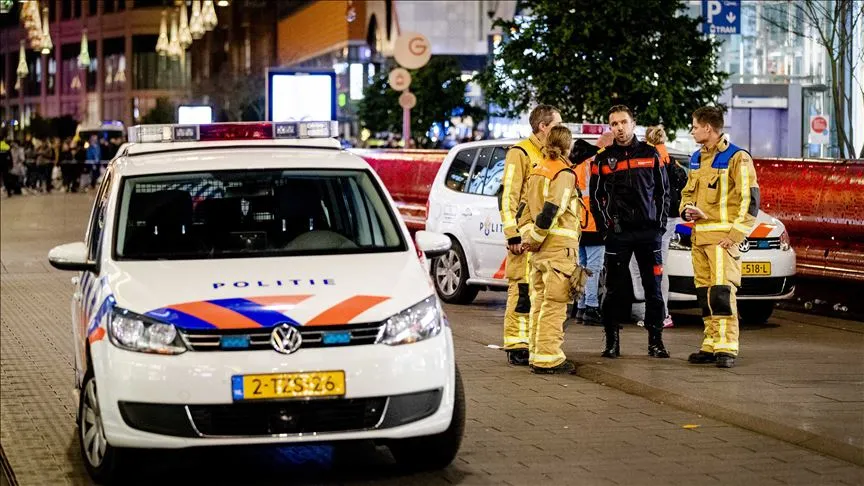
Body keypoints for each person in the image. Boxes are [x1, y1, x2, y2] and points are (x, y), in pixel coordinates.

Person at [681, 106, 759, 369]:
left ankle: (727, 346)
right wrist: (686, 209)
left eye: (694, 126)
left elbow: (751, 201)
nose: (692, 130)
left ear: (708, 128)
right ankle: (711, 344)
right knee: (705, 295)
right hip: (699, 239)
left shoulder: (737, 157)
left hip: (722, 240)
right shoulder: (695, 158)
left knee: (722, 294)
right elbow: (686, 194)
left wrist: (736, 235)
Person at [590, 105, 670, 359]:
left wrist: (659, 225)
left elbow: (663, 193)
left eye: (623, 122)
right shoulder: (603, 159)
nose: (619, 128)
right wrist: (605, 229)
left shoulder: (651, 154)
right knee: (613, 290)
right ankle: (612, 342)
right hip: (618, 234)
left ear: (633, 124)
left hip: (648, 234)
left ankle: (655, 342)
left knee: (654, 291)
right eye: (614, 124)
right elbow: (595, 196)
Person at [499, 105, 561, 366]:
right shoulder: (521, 152)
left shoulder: (550, 154)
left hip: (542, 234)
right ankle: (516, 342)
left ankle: (533, 342)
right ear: (543, 126)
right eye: (557, 124)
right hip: (524, 233)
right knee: (521, 288)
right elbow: (508, 196)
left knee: (539, 290)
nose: (561, 128)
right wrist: (512, 234)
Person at [521, 125, 581, 374]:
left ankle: (536, 353)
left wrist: (529, 239)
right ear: (568, 147)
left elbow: (523, 210)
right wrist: (536, 238)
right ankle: (549, 358)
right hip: (557, 251)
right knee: (554, 306)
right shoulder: (563, 173)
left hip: (539, 254)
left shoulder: (538, 170)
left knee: (539, 304)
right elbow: (552, 210)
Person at [628, 125, 688, 328]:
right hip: (669, 219)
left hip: (654, 220)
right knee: (658, 266)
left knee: (649, 266)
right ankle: (659, 312)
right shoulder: (671, 160)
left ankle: (659, 313)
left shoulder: (648, 157)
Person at [570, 133, 612, 326]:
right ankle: (592, 308)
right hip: (594, 223)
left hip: (579, 223)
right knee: (593, 269)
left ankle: (580, 307)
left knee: (582, 266)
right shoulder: (597, 162)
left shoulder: (579, 162)